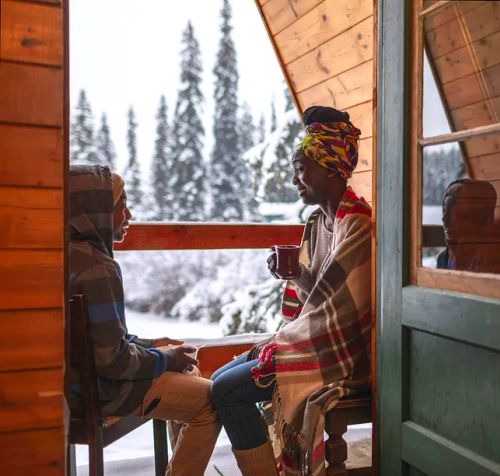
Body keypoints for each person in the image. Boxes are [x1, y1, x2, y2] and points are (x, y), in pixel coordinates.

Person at [211, 106, 372, 476]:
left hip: (342, 353)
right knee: (219, 379)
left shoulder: (357, 225)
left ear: (331, 167)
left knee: (227, 391)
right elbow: (321, 294)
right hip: (315, 337)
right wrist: (296, 274)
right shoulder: (319, 223)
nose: (296, 180)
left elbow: (342, 312)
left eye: (302, 170)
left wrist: (281, 343)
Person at [68, 165, 220, 476]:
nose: (130, 214)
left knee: (188, 371)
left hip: (72, 387)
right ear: (94, 210)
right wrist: (165, 358)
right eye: (121, 204)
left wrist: (152, 346)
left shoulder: (61, 256)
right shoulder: (96, 267)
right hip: (102, 392)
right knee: (212, 402)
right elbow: (113, 363)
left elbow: (102, 343)